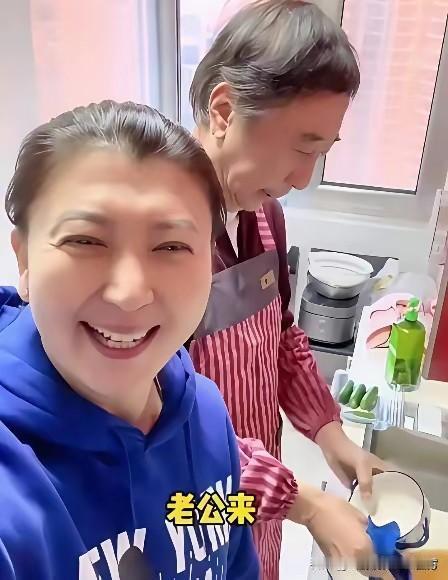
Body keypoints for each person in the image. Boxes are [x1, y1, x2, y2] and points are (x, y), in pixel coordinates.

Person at [0, 101, 259, 579]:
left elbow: (232, 558)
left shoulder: (206, 414)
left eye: (171, 246)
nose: (130, 294)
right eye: (85, 241)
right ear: (25, 260)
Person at [188, 1, 385, 577]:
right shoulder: (162, 243)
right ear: (225, 110)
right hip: (189, 506)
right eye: (302, 148)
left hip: (261, 497)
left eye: (320, 154)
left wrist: (329, 431)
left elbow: (281, 338)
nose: (302, 179)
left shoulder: (265, 217)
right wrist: (306, 503)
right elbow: (160, 424)